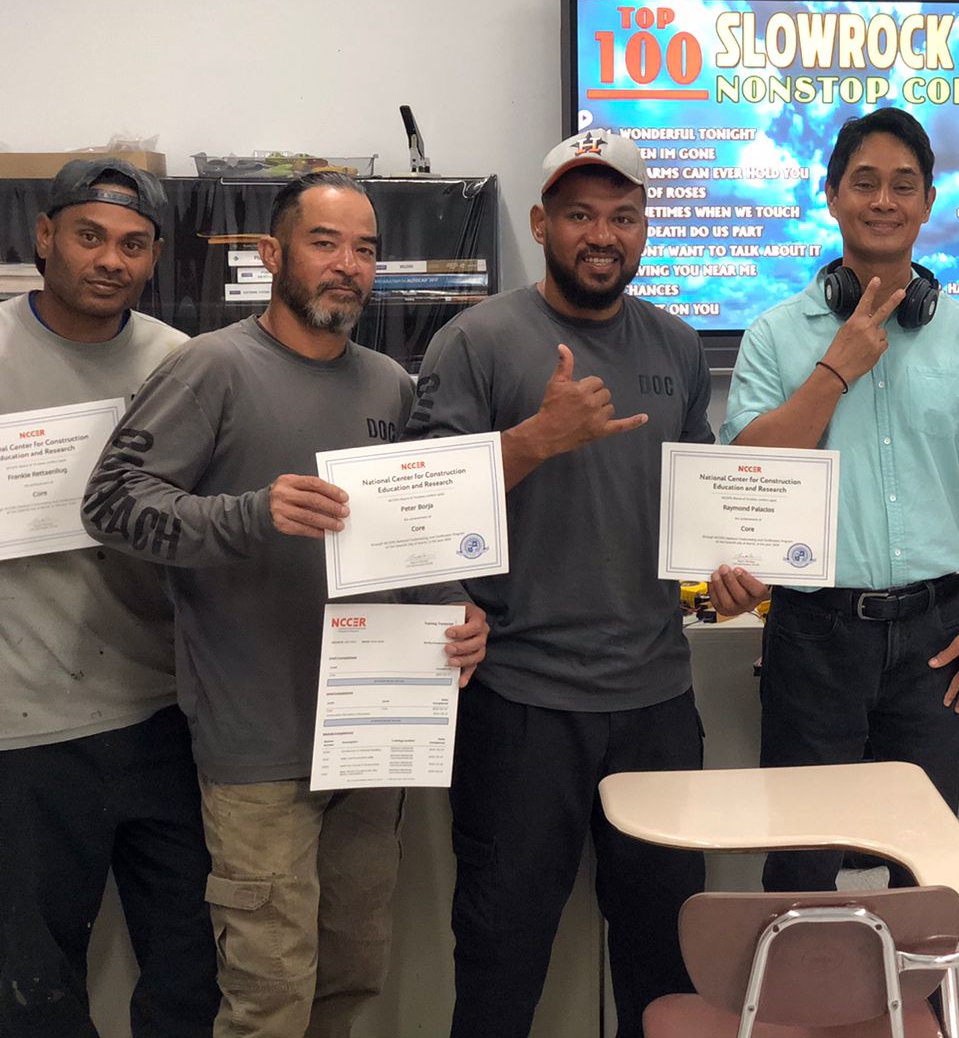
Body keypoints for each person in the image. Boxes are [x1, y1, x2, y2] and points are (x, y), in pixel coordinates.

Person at [78, 171, 489, 1038]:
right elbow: (110, 505)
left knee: (346, 979)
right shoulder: (213, 366)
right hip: (258, 748)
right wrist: (246, 513)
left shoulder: (389, 385)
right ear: (272, 254)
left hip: (373, 739)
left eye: (366, 249)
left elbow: (415, 538)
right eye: (325, 243)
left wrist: (456, 610)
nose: (347, 266)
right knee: (267, 999)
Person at [404, 129, 711, 1038]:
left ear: (646, 227)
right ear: (541, 223)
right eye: (580, 214)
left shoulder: (679, 346)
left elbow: (692, 504)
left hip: (656, 699)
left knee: (665, 959)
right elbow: (416, 508)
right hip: (521, 704)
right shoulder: (477, 340)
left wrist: (725, 565)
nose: (603, 234)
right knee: (502, 956)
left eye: (623, 215)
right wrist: (536, 437)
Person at [716, 106, 959, 893]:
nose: (884, 200)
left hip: (934, 637)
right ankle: (801, 1007)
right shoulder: (779, 335)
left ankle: (910, 1007)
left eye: (903, 185)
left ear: (926, 203)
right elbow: (749, 468)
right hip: (814, 634)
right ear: (831, 196)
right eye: (865, 182)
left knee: (924, 861)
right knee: (803, 854)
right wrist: (836, 367)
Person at [0, 158, 218, 1036]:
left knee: (191, 966)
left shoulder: (184, 363)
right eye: (90, 236)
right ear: (45, 236)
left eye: (133, 245)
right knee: (35, 985)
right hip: (26, 725)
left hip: (165, 713)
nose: (110, 260)